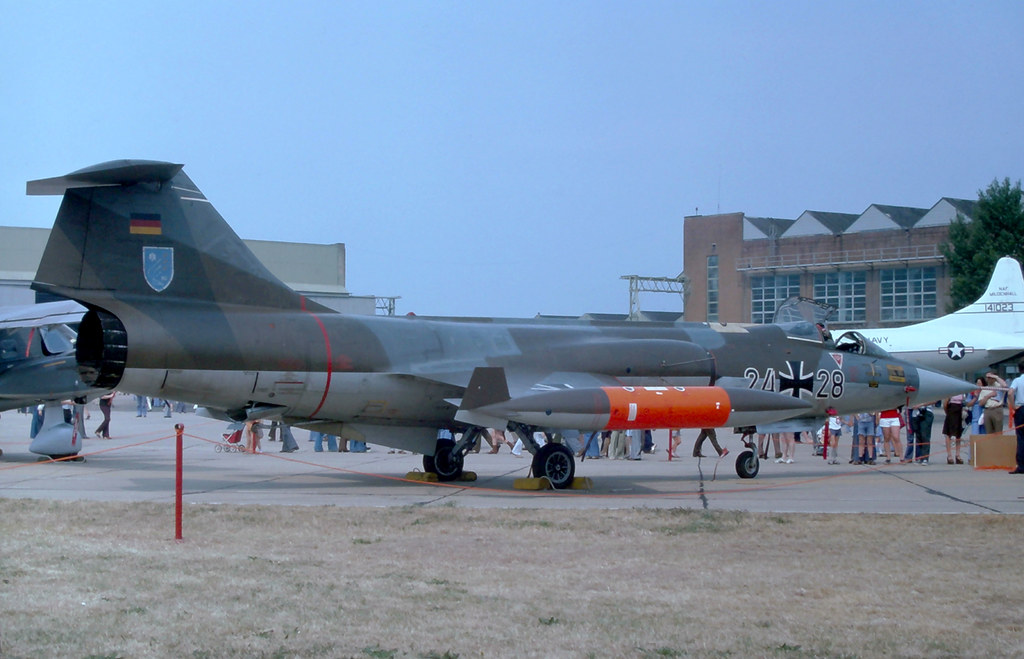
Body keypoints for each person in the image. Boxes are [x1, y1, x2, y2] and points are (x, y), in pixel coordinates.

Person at [1007, 361, 1024, 475]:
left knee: (1021, 438)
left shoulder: (1017, 380)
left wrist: (1013, 406)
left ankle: (1021, 466)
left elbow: (1010, 393)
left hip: (1021, 409)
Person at [942, 394, 965, 464]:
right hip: (951, 410)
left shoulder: (962, 392)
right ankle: (949, 455)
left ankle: (958, 455)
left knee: (958, 434)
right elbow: (945, 404)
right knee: (948, 433)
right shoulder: (951, 391)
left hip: (959, 410)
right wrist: (948, 412)